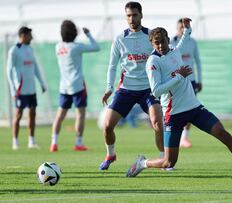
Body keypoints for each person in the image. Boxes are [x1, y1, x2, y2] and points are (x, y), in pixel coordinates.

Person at [125, 19, 232, 178]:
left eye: (163, 41)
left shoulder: (174, 50)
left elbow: (183, 42)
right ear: (152, 44)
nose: (161, 45)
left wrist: (188, 30)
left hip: (194, 108)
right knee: (168, 162)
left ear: (168, 40)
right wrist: (179, 76)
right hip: (174, 114)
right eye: (157, 43)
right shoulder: (153, 61)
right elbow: (156, 91)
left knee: (222, 133)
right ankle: (142, 163)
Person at [99, 1, 164, 170]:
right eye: (128, 15)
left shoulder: (151, 36)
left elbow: (162, 58)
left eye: (135, 15)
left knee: (157, 123)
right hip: (126, 89)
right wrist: (108, 88)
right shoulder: (120, 39)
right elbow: (112, 66)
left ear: (141, 15)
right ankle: (111, 154)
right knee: (107, 126)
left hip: (148, 89)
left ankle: (164, 159)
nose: (132, 19)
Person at [50, 20, 100, 152]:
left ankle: (54, 143)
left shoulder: (58, 47)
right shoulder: (76, 47)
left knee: (60, 116)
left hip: (64, 87)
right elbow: (96, 47)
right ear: (74, 32)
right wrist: (88, 34)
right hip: (77, 85)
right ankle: (78, 143)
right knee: (80, 115)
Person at [7, 26, 47, 150]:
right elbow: (9, 70)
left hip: (31, 89)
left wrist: (41, 83)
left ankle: (31, 141)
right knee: (18, 114)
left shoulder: (30, 49)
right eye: (30, 35)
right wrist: (13, 89)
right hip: (20, 89)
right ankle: (15, 141)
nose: (32, 37)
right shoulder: (14, 50)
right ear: (23, 35)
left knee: (32, 113)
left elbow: (35, 67)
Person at [170, 18, 203, 148]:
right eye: (180, 28)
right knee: (173, 108)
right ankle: (172, 134)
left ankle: (184, 138)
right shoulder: (171, 43)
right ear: (177, 28)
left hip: (191, 80)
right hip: (176, 81)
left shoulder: (193, 42)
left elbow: (198, 61)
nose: (183, 30)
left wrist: (199, 80)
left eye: (184, 28)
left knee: (191, 107)